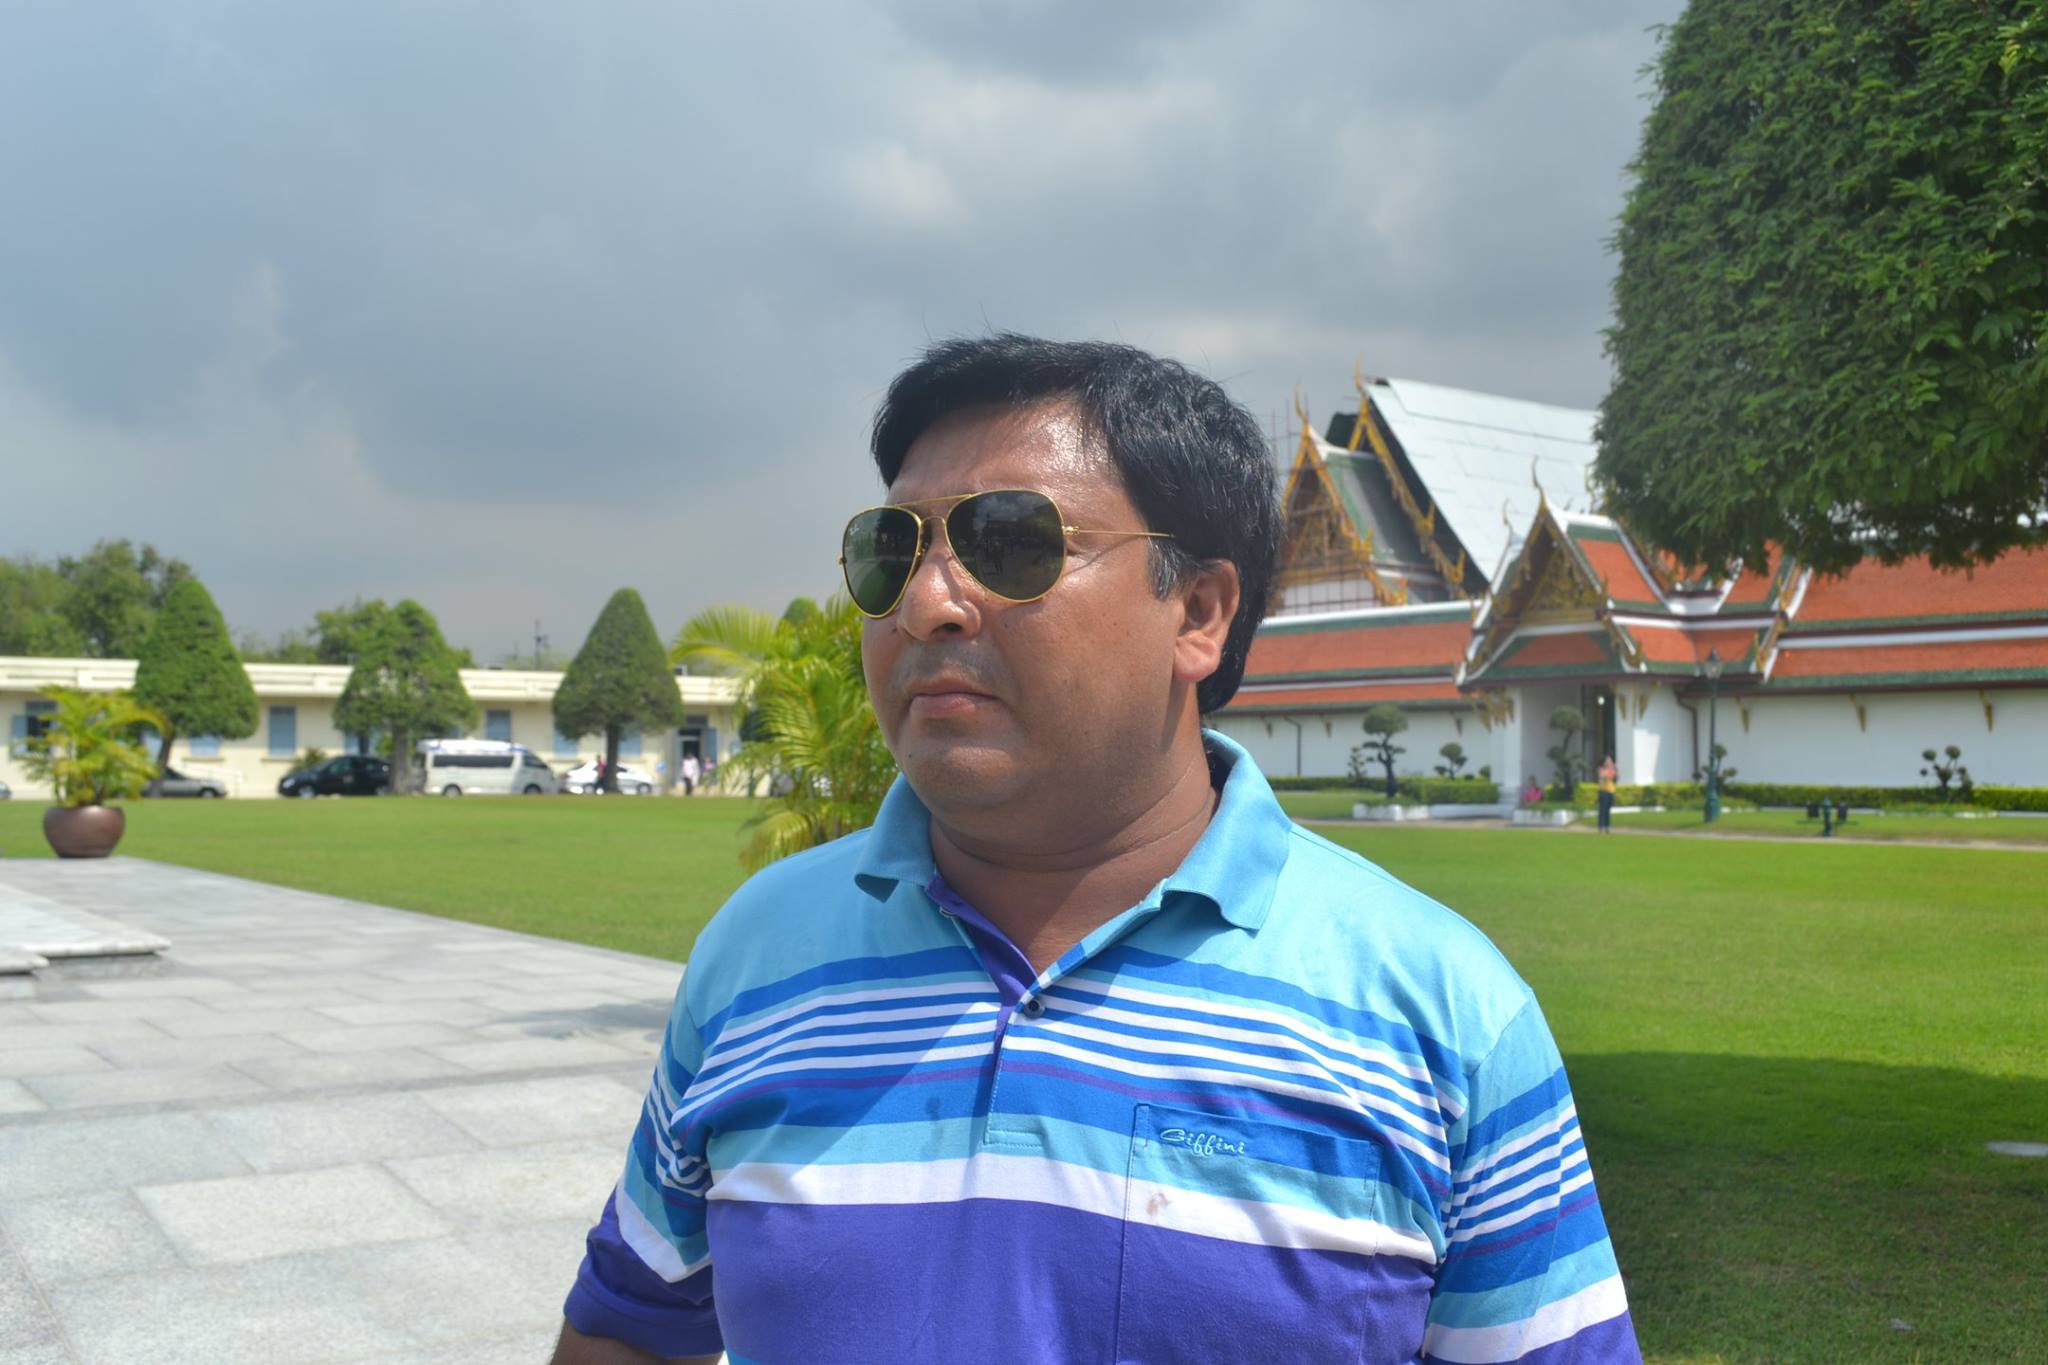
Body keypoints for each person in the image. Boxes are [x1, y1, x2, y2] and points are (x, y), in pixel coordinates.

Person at [553, 336, 1640, 1364]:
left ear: (1199, 613)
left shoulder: (1438, 1016)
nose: (925, 604)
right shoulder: (757, 956)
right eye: (891, 553)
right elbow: (633, 1323)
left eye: (1011, 543)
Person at [1597, 755, 1619, 833]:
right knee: (1602, 810)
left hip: (1610, 791)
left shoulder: (1612, 770)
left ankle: (1607, 826)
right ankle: (1601, 826)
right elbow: (1602, 778)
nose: (1609, 762)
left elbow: (1616, 777)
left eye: (1610, 761)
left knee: (1607, 810)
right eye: (1608, 761)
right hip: (1603, 791)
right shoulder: (1602, 769)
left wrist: (1616, 769)